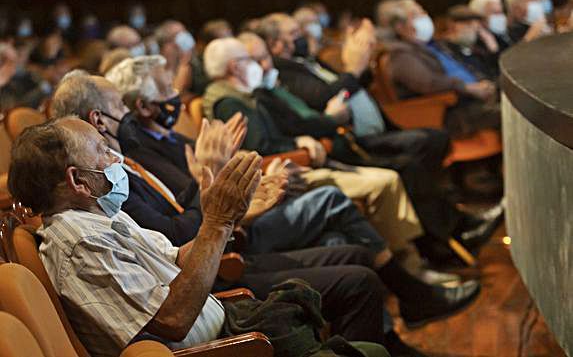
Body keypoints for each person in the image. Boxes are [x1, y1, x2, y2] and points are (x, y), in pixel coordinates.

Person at [50, 70, 479, 357]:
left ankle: (398, 324)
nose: (115, 150)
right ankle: (410, 303)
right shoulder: (95, 211)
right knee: (351, 256)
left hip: (216, 264)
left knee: (346, 249)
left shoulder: (106, 193)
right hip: (219, 278)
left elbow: (171, 241)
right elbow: (179, 252)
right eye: (119, 113)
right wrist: (221, 199)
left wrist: (233, 202)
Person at [10, 118, 396, 357]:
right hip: (223, 351)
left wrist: (229, 217)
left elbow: (178, 257)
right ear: (77, 181)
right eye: (102, 150)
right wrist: (217, 223)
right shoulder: (79, 245)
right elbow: (174, 320)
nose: (117, 158)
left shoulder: (98, 217)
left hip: (233, 329)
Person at [203, 37, 501, 256]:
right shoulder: (233, 100)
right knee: (403, 168)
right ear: (234, 66)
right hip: (310, 156)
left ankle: (447, 235)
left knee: (421, 149)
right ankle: (431, 250)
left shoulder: (254, 91)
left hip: (323, 143)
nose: (261, 65)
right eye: (253, 59)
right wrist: (303, 141)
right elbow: (261, 146)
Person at [384, 0, 499, 137]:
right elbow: (428, 83)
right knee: (509, 114)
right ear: (400, 27)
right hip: (449, 111)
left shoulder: (431, 45)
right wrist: (467, 88)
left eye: (423, 13)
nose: (423, 18)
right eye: (415, 16)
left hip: (471, 100)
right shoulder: (401, 54)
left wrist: (482, 84)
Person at [437, 5, 501, 81]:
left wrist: (493, 50)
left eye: (477, 24)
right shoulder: (443, 50)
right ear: (452, 26)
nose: (474, 29)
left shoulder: (477, 50)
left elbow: (494, 72)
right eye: (468, 24)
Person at [154, 20, 199, 93]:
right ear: (166, 44)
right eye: (179, 35)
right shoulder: (156, 69)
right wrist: (184, 64)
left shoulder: (194, 62)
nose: (185, 37)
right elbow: (175, 93)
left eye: (185, 32)